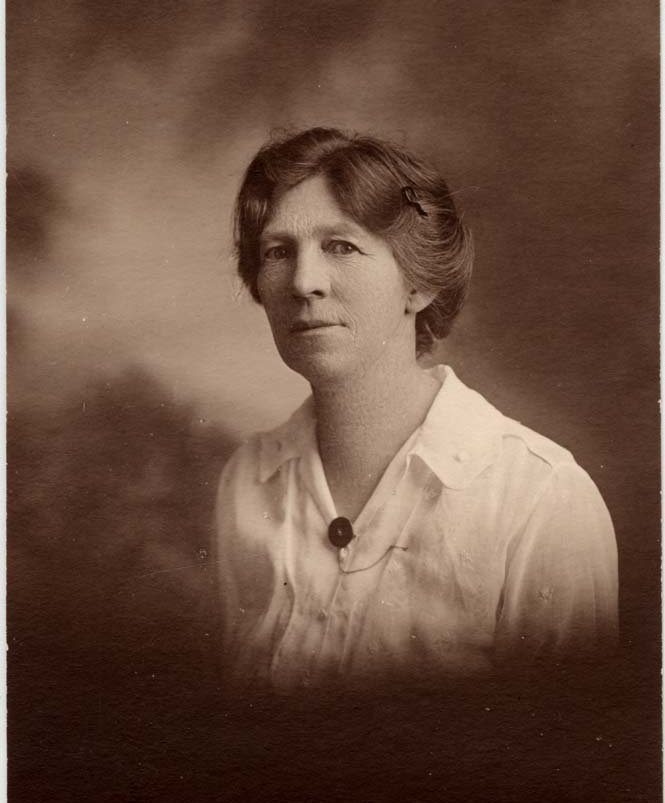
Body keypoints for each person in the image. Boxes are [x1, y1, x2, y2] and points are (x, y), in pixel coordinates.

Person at [216, 127, 618, 692]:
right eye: (278, 252)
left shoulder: (539, 499)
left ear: (418, 284)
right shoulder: (248, 481)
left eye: (341, 246)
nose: (303, 282)